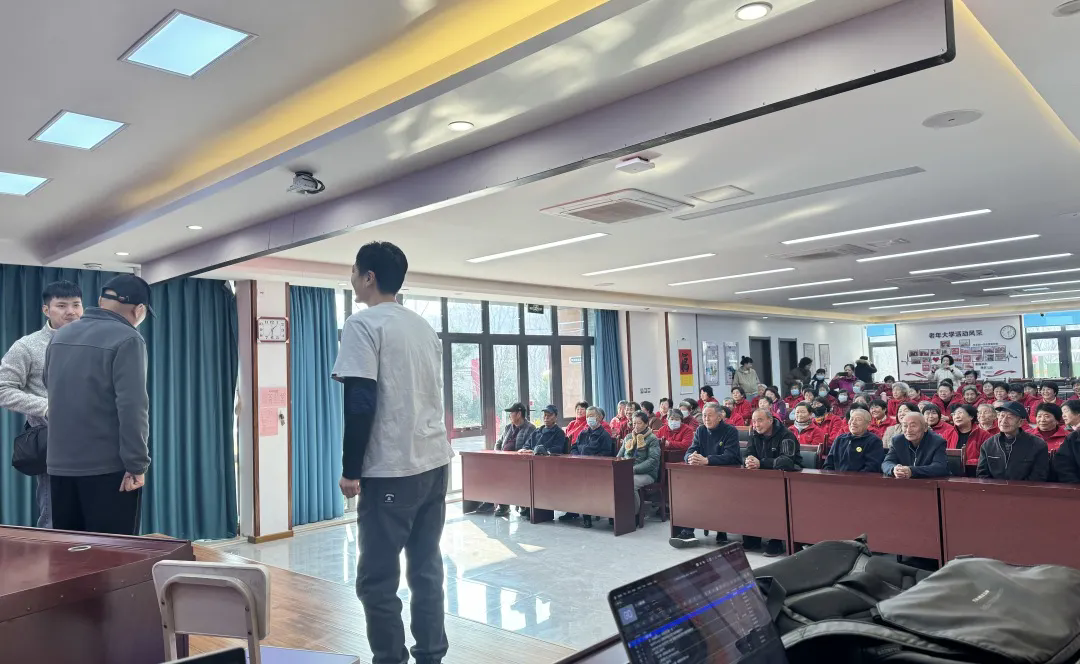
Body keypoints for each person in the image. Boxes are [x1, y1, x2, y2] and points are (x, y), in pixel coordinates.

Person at [331, 243, 454, 664]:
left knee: (376, 581)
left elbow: (360, 402)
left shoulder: (363, 324)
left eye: (354, 270)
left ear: (368, 277)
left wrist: (351, 470)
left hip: (393, 468)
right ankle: (432, 656)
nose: (351, 277)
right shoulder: (422, 326)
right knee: (426, 568)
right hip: (435, 462)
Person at [45, 275, 150, 536]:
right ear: (139, 310)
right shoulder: (128, 338)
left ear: (101, 301)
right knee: (112, 553)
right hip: (107, 469)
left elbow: (49, 384)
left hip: (59, 465)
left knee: (69, 551)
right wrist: (136, 465)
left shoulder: (61, 334)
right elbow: (133, 408)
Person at [0, 281, 84, 529]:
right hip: (54, 441)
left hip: (97, 442)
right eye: (62, 306)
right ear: (46, 310)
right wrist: (48, 407)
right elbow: (3, 389)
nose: (71, 312)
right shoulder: (27, 346)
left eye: (76, 305)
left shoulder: (96, 342)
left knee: (95, 520)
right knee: (54, 518)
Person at [669, 403, 740, 549]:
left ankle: (721, 529)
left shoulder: (730, 431)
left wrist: (707, 460)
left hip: (727, 475)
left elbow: (731, 456)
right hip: (704, 476)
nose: (706, 419)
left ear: (719, 417)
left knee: (713, 494)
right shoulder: (701, 430)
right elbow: (691, 450)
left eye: (710, 415)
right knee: (689, 493)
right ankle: (688, 532)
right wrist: (690, 458)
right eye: (704, 415)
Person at [743, 408, 800, 556]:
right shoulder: (754, 433)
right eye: (754, 421)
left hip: (785, 480)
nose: (756, 424)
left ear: (770, 420)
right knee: (747, 497)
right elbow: (748, 453)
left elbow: (786, 461)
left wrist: (761, 463)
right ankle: (753, 537)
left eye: (760, 420)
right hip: (761, 479)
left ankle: (776, 541)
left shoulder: (786, 435)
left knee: (776, 501)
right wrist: (749, 460)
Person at [560, 406, 615, 527]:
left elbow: (606, 454)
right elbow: (574, 447)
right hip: (580, 466)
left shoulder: (604, 435)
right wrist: (577, 457)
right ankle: (572, 510)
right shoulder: (583, 433)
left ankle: (587, 516)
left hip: (597, 469)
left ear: (599, 418)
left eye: (592, 416)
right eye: (588, 416)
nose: (589, 418)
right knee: (567, 479)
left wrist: (590, 460)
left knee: (585, 483)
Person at [976, 402, 1048, 481]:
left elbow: (1038, 476)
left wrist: (1014, 488)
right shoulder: (988, 444)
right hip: (994, 488)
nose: (1004, 421)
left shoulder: (1038, 445)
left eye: (1010, 417)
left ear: (1020, 422)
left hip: (1026, 488)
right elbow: (982, 474)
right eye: (1002, 415)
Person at [493, 402, 536, 516]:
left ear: (519, 414)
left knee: (508, 475)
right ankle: (501, 504)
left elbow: (528, 447)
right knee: (493, 472)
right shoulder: (508, 427)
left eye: (511, 413)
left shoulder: (530, 428)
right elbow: (499, 443)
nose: (509, 416)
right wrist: (497, 454)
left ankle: (522, 504)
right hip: (504, 461)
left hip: (520, 463)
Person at [617, 411, 661, 520]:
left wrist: (633, 470)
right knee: (614, 480)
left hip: (647, 473)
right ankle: (618, 513)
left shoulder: (652, 439)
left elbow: (652, 460)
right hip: (627, 471)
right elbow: (619, 456)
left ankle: (634, 515)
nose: (636, 426)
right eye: (634, 423)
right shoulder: (628, 437)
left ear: (646, 424)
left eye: (639, 423)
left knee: (630, 483)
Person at [882, 412, 949, 479]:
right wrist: (894, 469)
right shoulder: (897, 441)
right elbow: (887, 462)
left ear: (925, 427)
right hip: (902, 483)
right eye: (905, 426)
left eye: (913, 426)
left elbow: (939, 467)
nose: (908, 430)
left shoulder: (937, 442)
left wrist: (912, 471)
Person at [823, 408, 884, 473]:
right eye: (851, 419)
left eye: (858, 419)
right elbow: (828, 464)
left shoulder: (874, 441)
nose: (853, 422)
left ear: (868, 424)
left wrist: (853, 478)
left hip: (860, 478)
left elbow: (872, 467)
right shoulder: (840, 439)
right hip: (836, 478)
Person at [1051, 399, 1080, 483]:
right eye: (1062, 413)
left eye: (1066, 411)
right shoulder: (1072, 436)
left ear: (1078, 413)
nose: (1063, 416)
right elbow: (1063, 464)